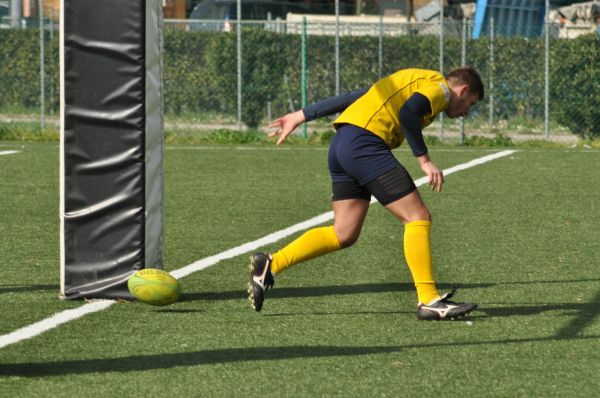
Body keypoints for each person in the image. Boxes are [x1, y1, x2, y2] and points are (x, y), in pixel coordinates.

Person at [247, 67, 484, 320]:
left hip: (342, 144)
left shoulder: (413, 81)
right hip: (364, 145)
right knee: (417, 217)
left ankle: (271, 264)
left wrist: (301, 115)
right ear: (463, 90)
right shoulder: (442, 89)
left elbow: (352, 97)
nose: (466, 112)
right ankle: (428, 300)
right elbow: (408, 113)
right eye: (469, 104)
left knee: (343, 233)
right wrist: (424, 160)